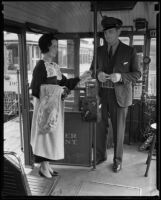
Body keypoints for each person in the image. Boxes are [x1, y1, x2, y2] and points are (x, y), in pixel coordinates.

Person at [30, 33, 91, 178]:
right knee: (44, 136)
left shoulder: (54, 66)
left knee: (51, 136)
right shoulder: (40, 67)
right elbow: (36, 90)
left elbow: (65, 83)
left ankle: (47, 166)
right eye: (55, 46)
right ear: (47, 47)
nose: (57, 49)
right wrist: (58, 91)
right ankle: (43, 167)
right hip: (44, 110)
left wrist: (81, 77)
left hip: (54, 109)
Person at [90, 16, 141, 172]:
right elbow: (93, 70)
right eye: (105, 33)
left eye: (111, 32)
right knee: (100, 126)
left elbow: (137, 74)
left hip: (120, 96)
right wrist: (97, 74)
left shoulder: (129, 51)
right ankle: (100, 155)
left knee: (119, 130)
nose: (108, 36)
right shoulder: (99, 50)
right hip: (102, 94)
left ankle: (117, 160)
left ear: (118, 32)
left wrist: (121, 77)